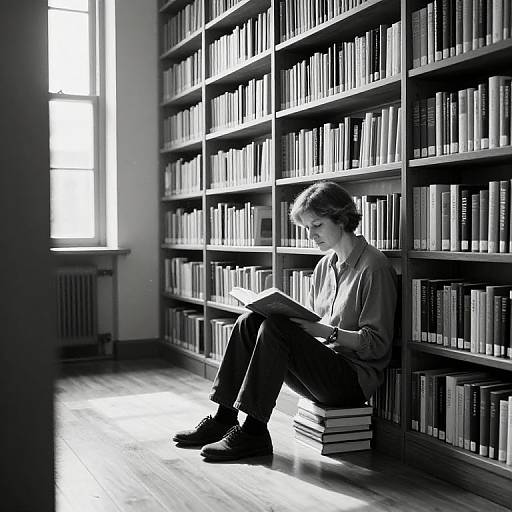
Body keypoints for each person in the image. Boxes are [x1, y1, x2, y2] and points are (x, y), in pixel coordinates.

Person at [173, 180, 398, 461]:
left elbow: (377, 345)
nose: (310, 235)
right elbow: (314, 329)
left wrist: (324, 332)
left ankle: (254, 432)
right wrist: (303, 325)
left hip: (351, 382)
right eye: (306, 228)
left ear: (341, 219)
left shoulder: (374, 267)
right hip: (322, 368)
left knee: (276, 328)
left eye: (316, 225)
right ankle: (224, 417)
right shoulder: (323, 267)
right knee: (250, 321)